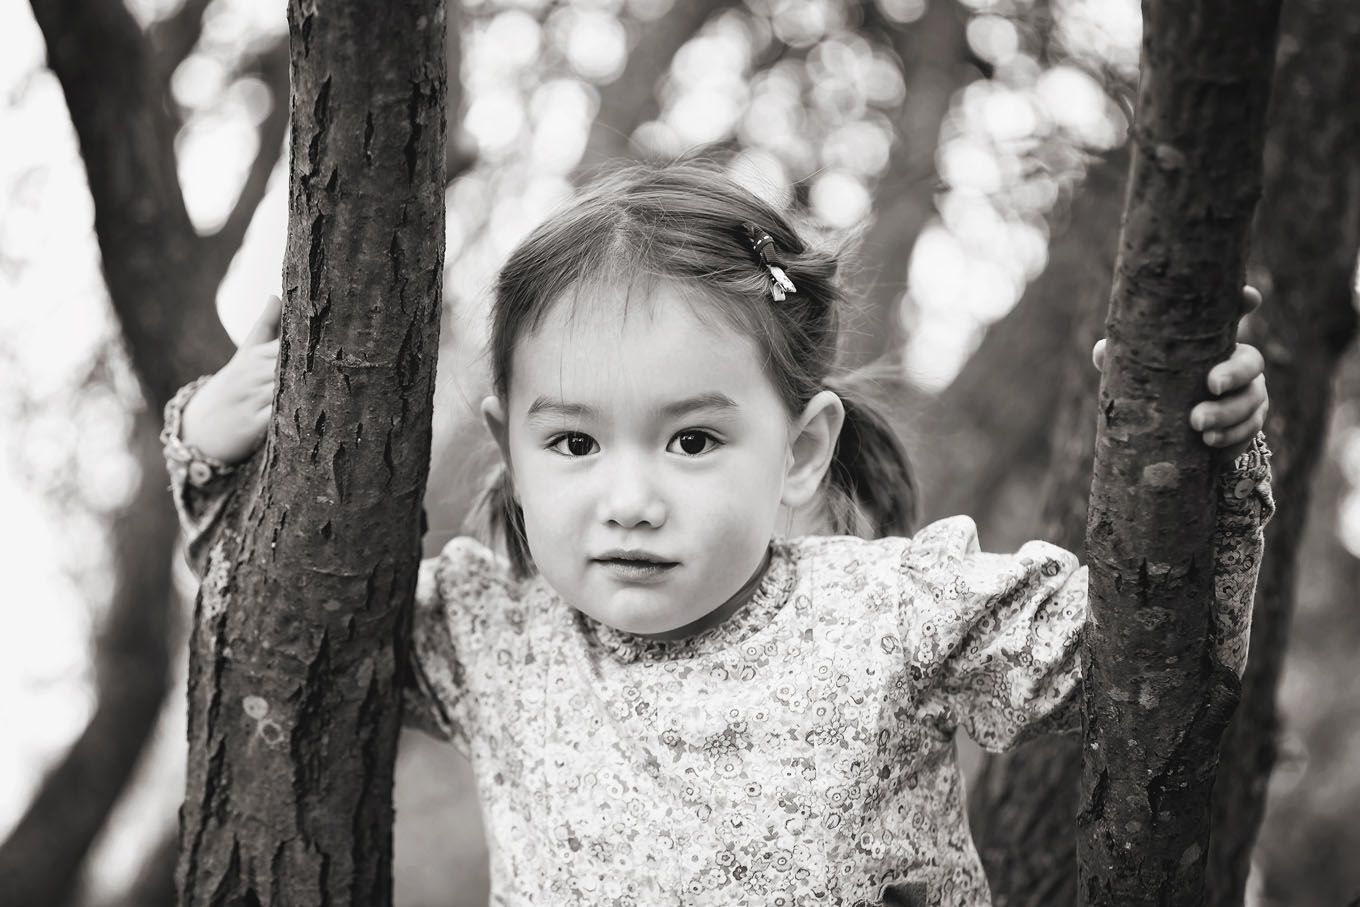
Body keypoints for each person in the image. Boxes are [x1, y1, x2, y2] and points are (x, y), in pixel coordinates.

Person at [162, 163, 1273, 906]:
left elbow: (1155, 661)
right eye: (574, 445)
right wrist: (211, 453)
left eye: (691, 442)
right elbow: (272, 636)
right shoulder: (492, 633)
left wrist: (1195, 466)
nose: (630, 498)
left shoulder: (885, 611)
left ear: (797, 449)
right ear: (511, 444)